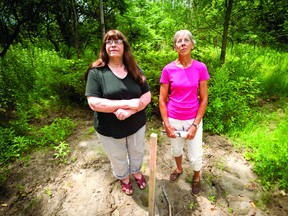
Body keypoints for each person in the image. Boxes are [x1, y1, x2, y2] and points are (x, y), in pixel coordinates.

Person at [85, 30, 151, 196]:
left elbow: (147, 95)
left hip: (136, 124)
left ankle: (136, 172)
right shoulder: (96, 72)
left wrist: (130, 112)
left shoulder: (135, 69)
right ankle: (124, 177)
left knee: (137, 151)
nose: (112, 45)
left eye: (117, 41)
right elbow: (93, 102)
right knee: (117, 155)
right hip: (109, 128)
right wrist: (128, 103)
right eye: (108, 42)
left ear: (124, 46)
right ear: (104, 47)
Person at [159, 30, 210, 194]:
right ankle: (179, 169)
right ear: (175, 47)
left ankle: (196, 176)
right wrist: (167, 124)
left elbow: (204, 99)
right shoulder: (168, 69)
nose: (182, 43)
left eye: (186, 40)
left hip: (192, 119)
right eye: (179, 41)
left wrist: (195, 124)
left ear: (192, 45)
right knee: (176, 149)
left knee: (195, 154)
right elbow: (162, 100)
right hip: (173, 117)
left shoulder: (200, 68)